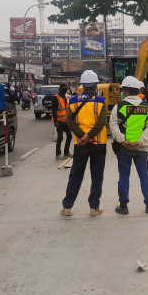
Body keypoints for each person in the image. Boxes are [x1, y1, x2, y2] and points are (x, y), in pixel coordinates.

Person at [61, 70, 108, 217]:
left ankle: (67, 207)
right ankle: (94, 208)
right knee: (97, 175)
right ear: (95, 85)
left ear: (82, 85)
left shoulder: (73, 101)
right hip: (98, 143)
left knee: (76, 174)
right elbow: (101, 122)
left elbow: (69, 120)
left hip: (80, 144)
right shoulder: (101, 101)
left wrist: (82, 136)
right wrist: (89, 135)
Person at [109, 76, 148, 215]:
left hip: (124, 149)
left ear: (128, 91)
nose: (122, 92)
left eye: (123, 89)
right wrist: (140, 142)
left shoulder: (119, 106)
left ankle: (123, 206)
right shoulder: (147, 109)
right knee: (144, 176)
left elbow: (113, 124)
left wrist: (123, 140)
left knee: (124, 176)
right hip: (141, 149)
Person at [52, 82, 72, 160]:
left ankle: (66, 152)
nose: (65, 91)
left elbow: (67, 109)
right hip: (59, 121)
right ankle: (58, 154)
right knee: (60, 138)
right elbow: (53, 110)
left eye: (66, 89)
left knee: (69, 136)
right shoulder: (56, 98)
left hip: (66, 121)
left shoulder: (65, 98)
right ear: (61, 89)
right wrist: (55, 121)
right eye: (64, 89)